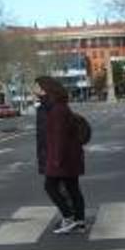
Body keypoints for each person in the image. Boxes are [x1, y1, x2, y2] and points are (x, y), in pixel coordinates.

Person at [35, 76, 87, 234]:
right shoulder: (57, 106)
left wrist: (56, 160)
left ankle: (69, 217)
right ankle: (79, 222)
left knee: (50, 186)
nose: (34, 89)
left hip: (62, 158)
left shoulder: (56, 109)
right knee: (73, 188)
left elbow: (59, 136)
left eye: (36, 86)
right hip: (69, 156)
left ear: (45, 89)